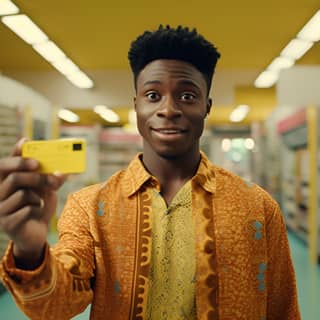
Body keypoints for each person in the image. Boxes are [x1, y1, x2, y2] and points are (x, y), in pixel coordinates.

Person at [0, 25, 300, 320]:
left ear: (207, 107)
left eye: (187, 96)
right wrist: (30, 250)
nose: (168, 109)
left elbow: (283, 309)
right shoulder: (89, 207)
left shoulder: (257, 207)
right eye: (153, 95)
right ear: (136, 106)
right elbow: (55, 306)